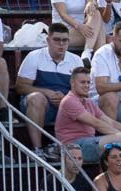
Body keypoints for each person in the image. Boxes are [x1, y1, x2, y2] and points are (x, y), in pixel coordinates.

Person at [56, 67, 121, 169]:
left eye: (88, 83)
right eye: (82, 82)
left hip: (90, 143)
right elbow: (96, 123)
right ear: (72, 82)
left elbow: (110, 122)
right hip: (74, 147)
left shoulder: (88, 102)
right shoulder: (69, 101)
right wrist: (119, 135)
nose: (86, 86)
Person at [17, 23, 82, 151]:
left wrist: (65, 100)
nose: (61, 44)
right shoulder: (34, 56)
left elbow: (83, 91)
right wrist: (46, 92)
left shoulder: (76, 60)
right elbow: (20, 87)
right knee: (37, 98)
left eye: (65, 40)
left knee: (80, 103)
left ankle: (72, 151)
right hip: (38, 106)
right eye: (57, 40)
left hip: (64, 106)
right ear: (48, 40)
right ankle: (37, 150)